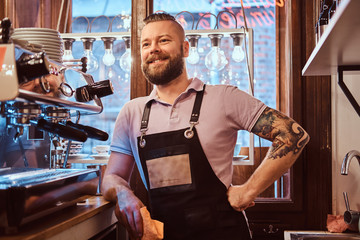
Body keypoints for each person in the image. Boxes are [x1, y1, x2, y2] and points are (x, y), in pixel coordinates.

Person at [102, 13, 310, 240]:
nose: (153, 49)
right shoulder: (132, 112)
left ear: (185, 48)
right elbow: (112, 176)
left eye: (163, 40)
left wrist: (247, 191)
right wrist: (122, 193)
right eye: (146, 44)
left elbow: (291, 134)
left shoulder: (224, 98)